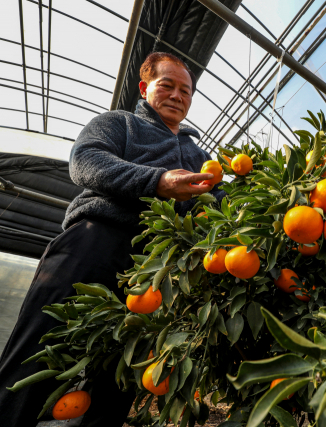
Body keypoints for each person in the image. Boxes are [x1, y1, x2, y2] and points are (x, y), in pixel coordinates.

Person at [0, 52, 225, 427]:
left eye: (185, 90)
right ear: (144, 88)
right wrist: (158, 181)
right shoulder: (118, 123)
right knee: (37, 352)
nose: (177, 95)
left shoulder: (201, 156)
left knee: (119, 373)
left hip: (155, 269)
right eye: (166, 85)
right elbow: (86, 162)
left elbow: (219, 202)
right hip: (95, 242)